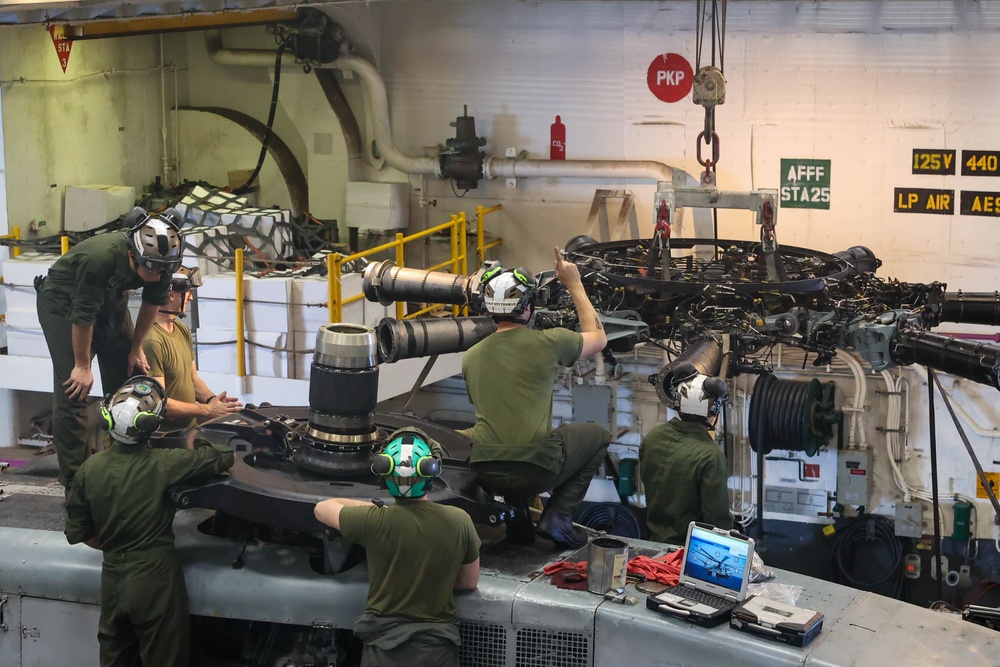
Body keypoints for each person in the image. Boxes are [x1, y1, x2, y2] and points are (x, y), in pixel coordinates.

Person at [64, 375, 236, 667]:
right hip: (156, 579)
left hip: (114, 578)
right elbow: (222, 457)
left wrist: (119, 546)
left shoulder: (88, 469)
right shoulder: (164, 463)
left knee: (115, 655)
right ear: (151, 427)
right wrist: (194, 437)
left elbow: (77, 532)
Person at [460, 247, 611, 549]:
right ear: (527, 308)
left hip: (487, 470)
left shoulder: (471, 357)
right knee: (598, 436)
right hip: (536, 471)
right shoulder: (549, 342)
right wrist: (574, 283)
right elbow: (598, 337)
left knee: (491, 437)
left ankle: (516, 520)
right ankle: (559, 518)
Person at [36, 206, 184, 491]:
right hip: (62, 302)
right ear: (133, 254)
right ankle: (77, 483)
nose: (157, 275)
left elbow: (152, 304)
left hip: (110, 297)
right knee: (74, 390)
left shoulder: (165, 259)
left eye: (163, 269)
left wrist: (136, 348)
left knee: (128, 383)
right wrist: (82, 365)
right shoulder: (101, 259)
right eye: (150, 268)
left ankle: (126, 468)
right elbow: (83, 315)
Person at [314, 427, 481, 667]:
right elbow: (468, 582)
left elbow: (322, 507)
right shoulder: (459, 520)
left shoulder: (374, 521)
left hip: (383, 650)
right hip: (437, 650)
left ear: (384, 472)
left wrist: (375, 511)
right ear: (431, 471)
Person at [143, 265, 242, 432]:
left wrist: (212, 401)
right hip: (168, 436)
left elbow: (193, 379)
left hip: (189, 429)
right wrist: (207, 410)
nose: (191, 298)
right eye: (187, 292)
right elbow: (159, 403)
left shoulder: (181, 330)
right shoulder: (152, 341)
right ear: (171, 294)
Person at [639, 369, 734, 544]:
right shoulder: (710, 457)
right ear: (714, 412)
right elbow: (718, 521)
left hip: (653, 542)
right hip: (687, 553)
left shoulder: (653, 437)